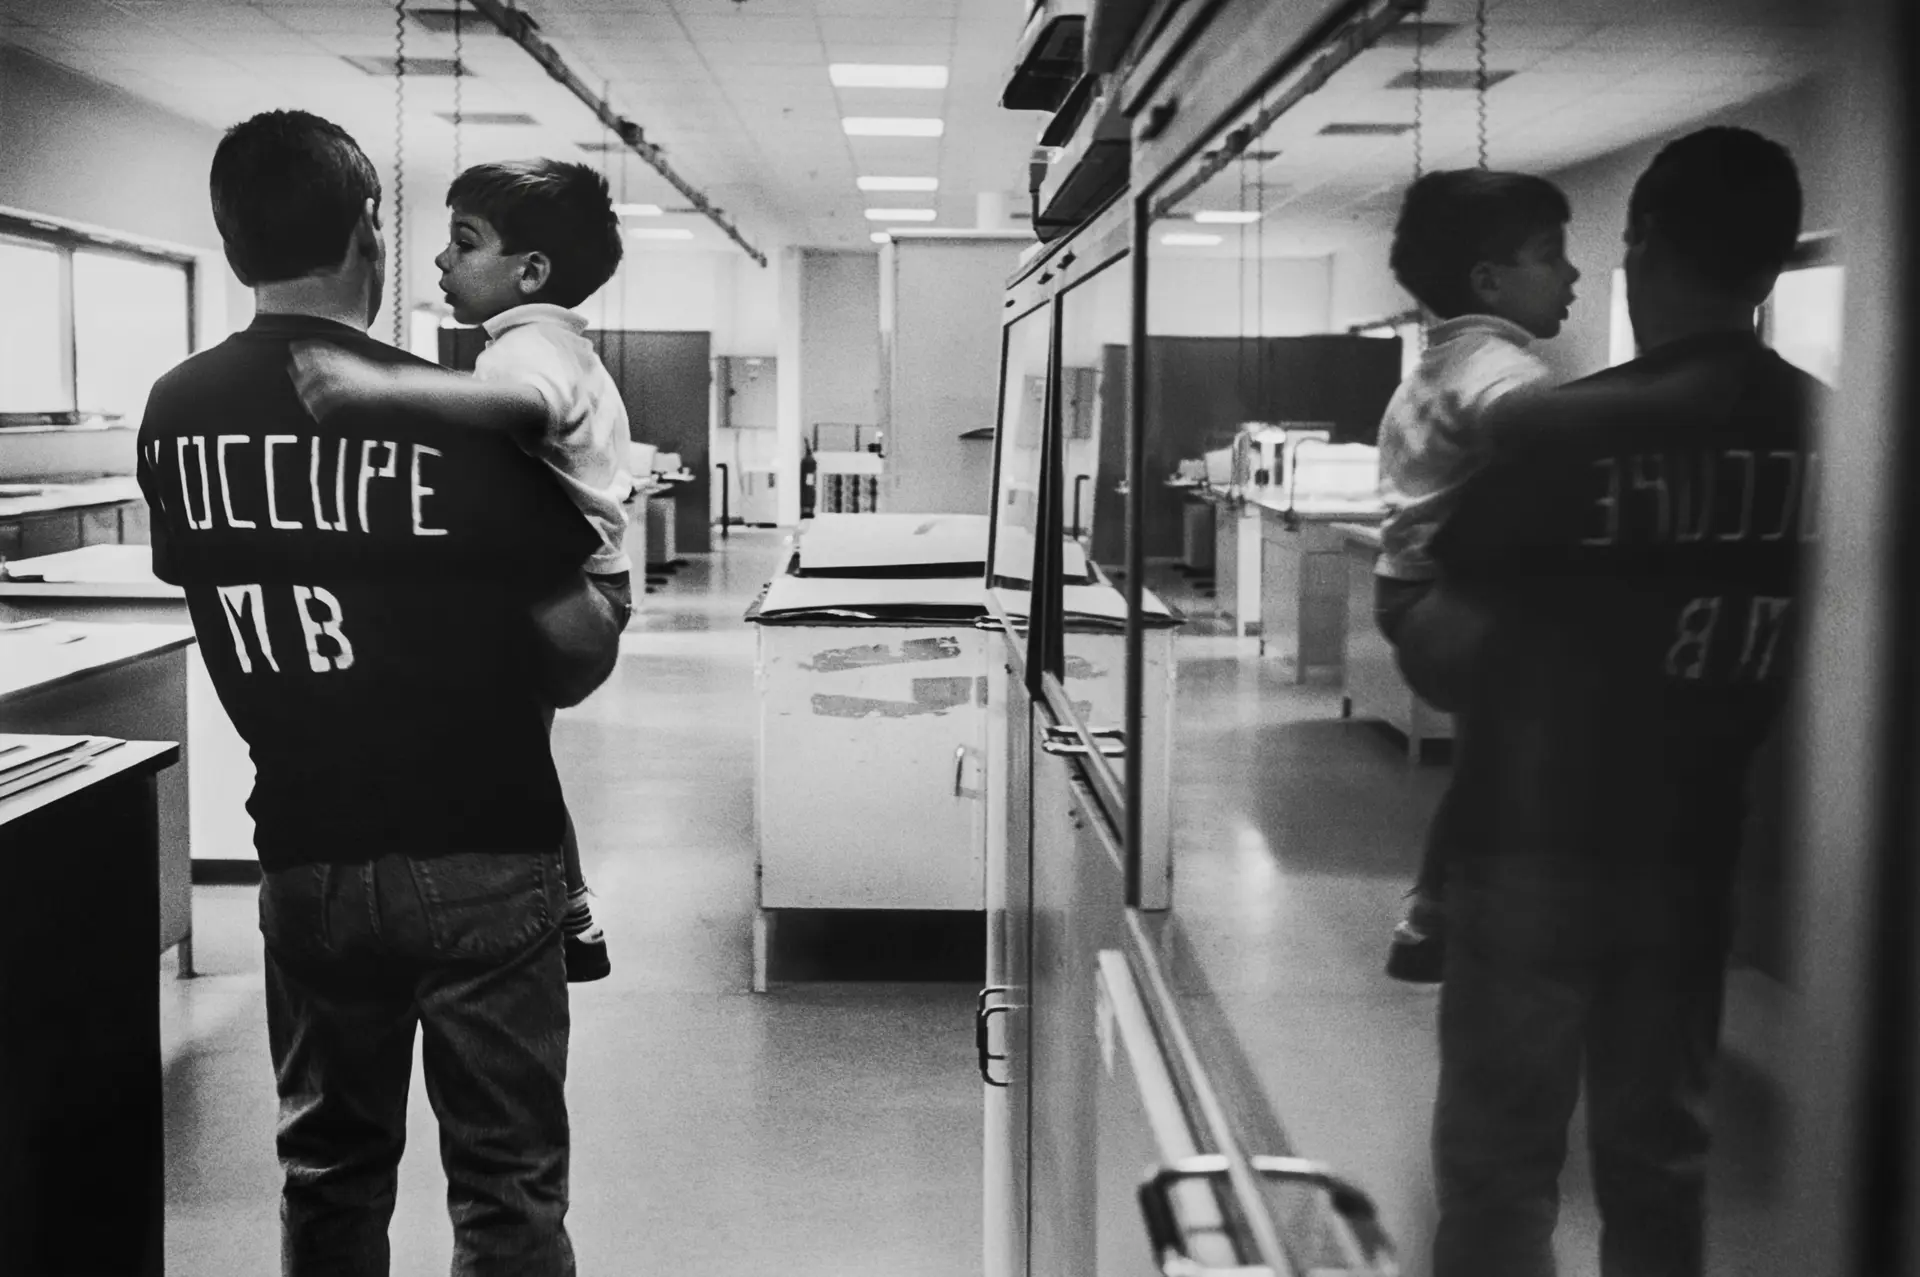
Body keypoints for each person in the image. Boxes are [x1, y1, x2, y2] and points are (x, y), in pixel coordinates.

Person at [136, 110, 618, 1275]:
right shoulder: (442, 409)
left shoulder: (175, 409)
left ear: (232, 233)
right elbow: (573, 652)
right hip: (480, 846)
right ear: (369, 228)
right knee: (505, 1182)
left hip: (301, 849)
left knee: (329, 1168)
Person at [1425, 126, 1820, 1277]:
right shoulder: (1842, 435)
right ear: (1775, 262)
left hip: (1534, 855)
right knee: (1662, 1165)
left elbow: (1448, 652)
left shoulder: (1566, 431)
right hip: (1700, 862)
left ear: (1640, 240)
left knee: (1501, 1171)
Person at [289, 158, 634, 983]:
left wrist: (376, 390)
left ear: (531, 272)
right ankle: (574, 907)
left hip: (564, 592)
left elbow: (521, 410)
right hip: (578, 582)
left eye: (464, 243)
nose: (442, 261)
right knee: (524, 751)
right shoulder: (540, 345)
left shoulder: (528, 349)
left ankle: (563, 903)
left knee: (504, 750)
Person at [1371, 168, 1581, 982]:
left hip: (1408, 591)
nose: (1571, 276)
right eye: (1551, 256)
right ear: (1489, 279)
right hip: (1451, 604)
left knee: (1496, 752)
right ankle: (1473, 913)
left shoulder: (1441, 359)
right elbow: (1529, 425)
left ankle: (1430, 915)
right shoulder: (1504, 369)